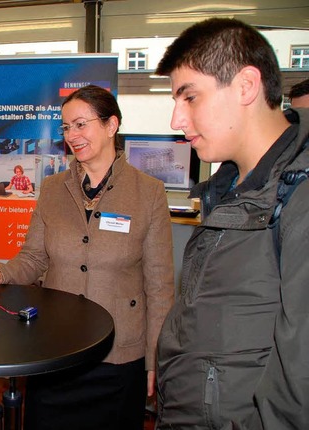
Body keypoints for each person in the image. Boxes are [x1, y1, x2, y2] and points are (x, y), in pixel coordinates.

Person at [0, 84, 174, 430]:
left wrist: (156, 357)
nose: (72, 136)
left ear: (111, 125)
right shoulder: (52, 189)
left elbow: (160, 285)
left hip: (119, 357)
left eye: (81, 124)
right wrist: (0, 273)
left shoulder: (148, 192)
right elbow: (34, 258)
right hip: (56, 351)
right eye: (66, 127)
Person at [154, 18, 309, 429]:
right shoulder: (227, 188)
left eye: (190, 98)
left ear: (245, 86)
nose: (176, 120)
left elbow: (300, 386)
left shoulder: (300, 196)